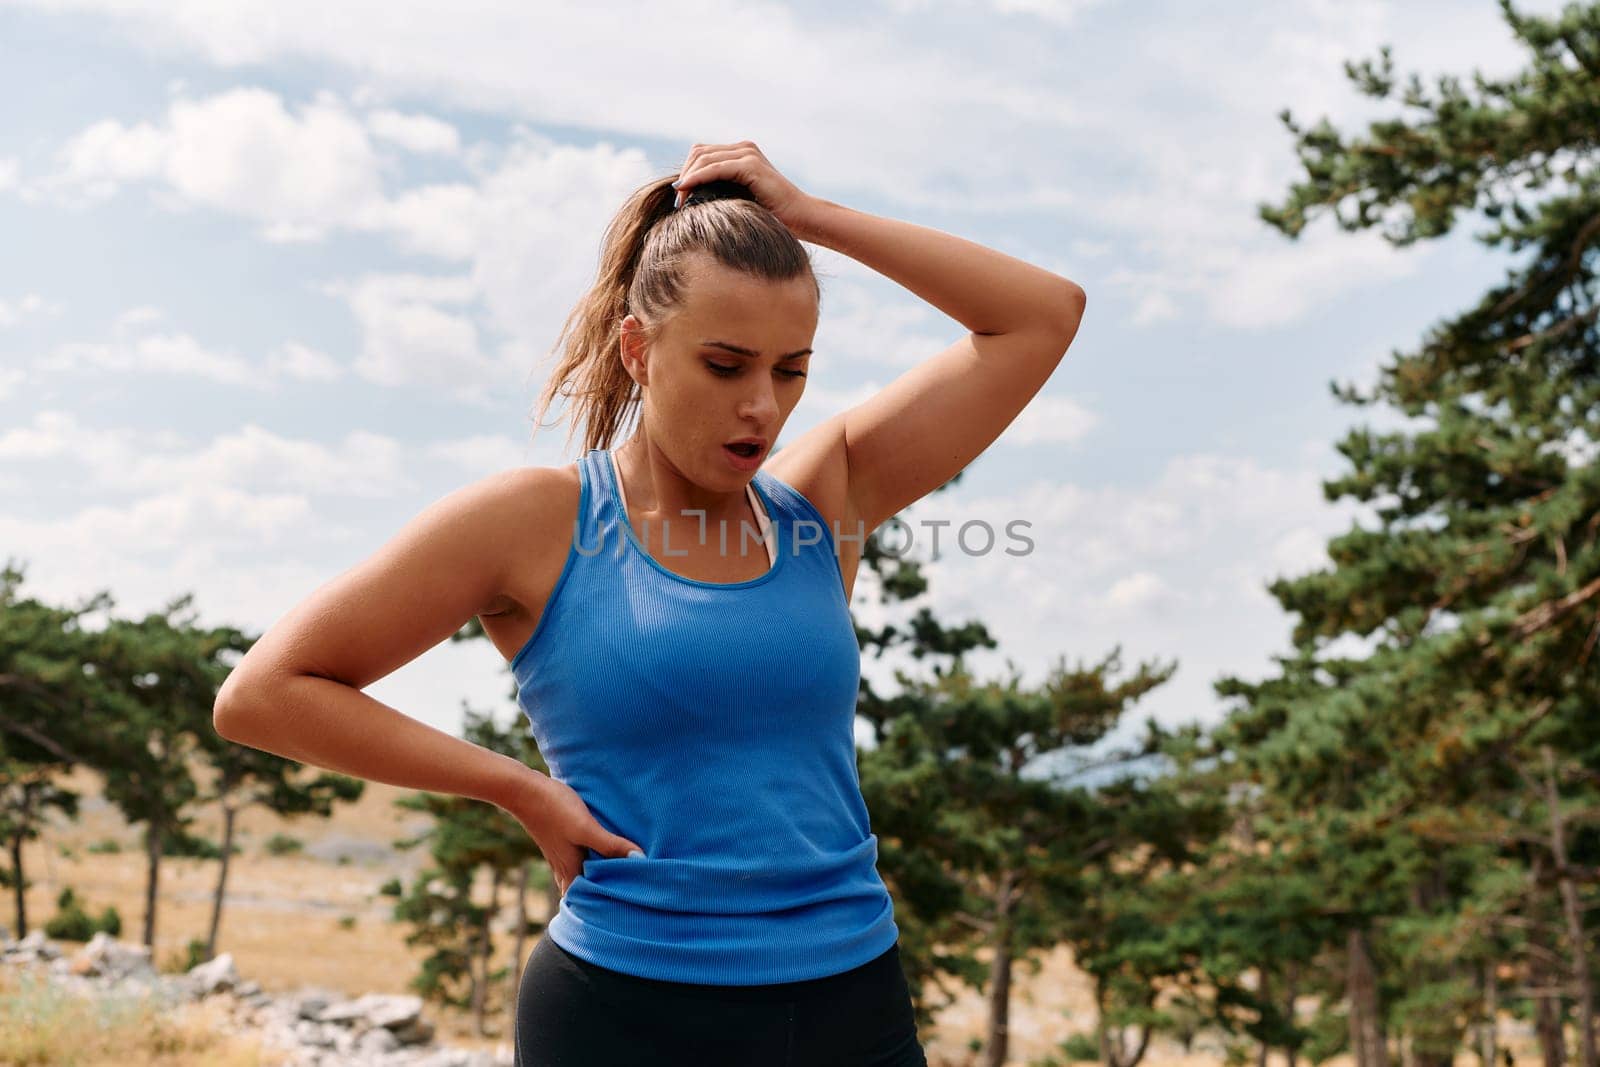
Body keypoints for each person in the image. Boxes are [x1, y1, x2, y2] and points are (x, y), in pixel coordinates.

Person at [212, 140, 1086, 1066]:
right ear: (638, 346)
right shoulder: (537, 520)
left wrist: (809, 215)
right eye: (725, 365)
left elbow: (1041, 316)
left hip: (848, 1002)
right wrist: (518, 789)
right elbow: (264, 693)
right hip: (626, 1013)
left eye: (790, 369)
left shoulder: (823, 499)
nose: (763, 405)